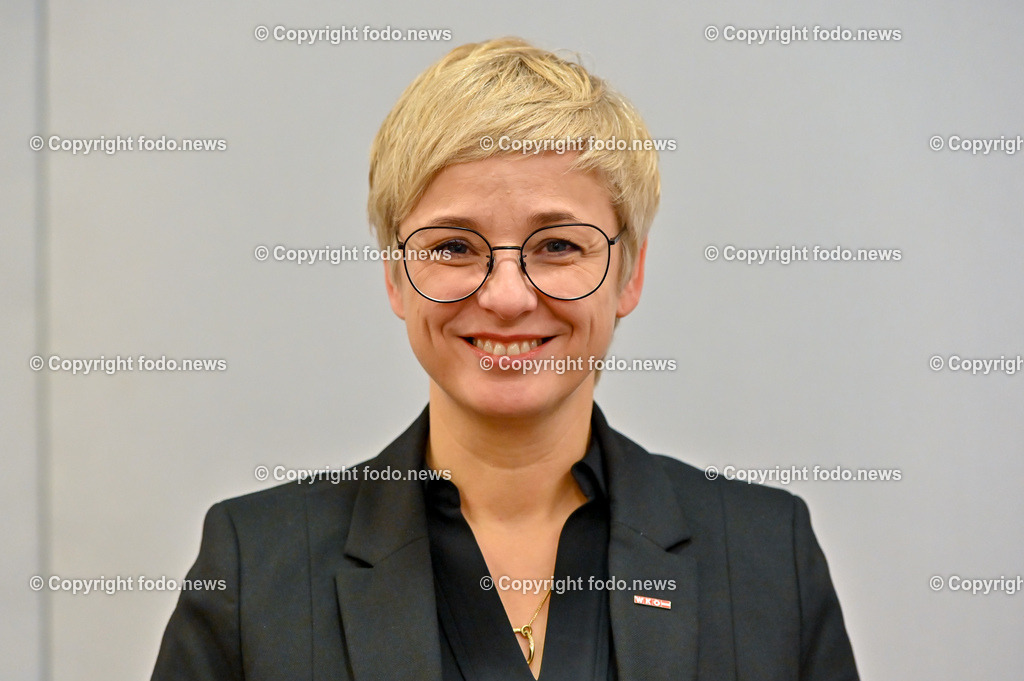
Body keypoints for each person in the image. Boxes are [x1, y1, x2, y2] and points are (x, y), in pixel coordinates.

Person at [152, 37, 859, 680]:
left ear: (629, 275)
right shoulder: (253, 565)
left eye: (557, 245)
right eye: (454, 247)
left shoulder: (769, 555)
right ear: (396, 277)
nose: (508, 296)